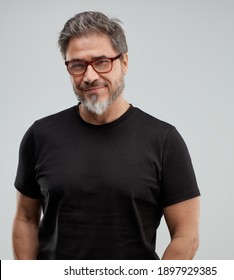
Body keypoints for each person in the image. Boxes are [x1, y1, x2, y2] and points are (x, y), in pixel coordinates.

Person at [12, 11, 200, 260]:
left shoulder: (164, 140)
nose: (89, 77)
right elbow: (25, 219)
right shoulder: (40, 135)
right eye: (78, 65)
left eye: (102, 62)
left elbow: (186, 237)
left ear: (124, 62)